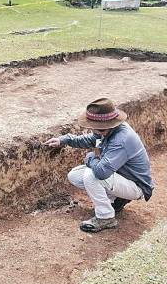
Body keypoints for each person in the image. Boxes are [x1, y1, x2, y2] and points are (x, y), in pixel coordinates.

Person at [45, 98, 154, 233]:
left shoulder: (121, 139)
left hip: (136, 186)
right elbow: (91, 139)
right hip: (121, 177)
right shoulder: (108, 130)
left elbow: (101, 173)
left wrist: (91, 158)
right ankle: (116, 200)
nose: (94, 130)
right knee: (75, 176)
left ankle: (106, 217)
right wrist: (65, 139)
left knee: (92, 176)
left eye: (97, 128)